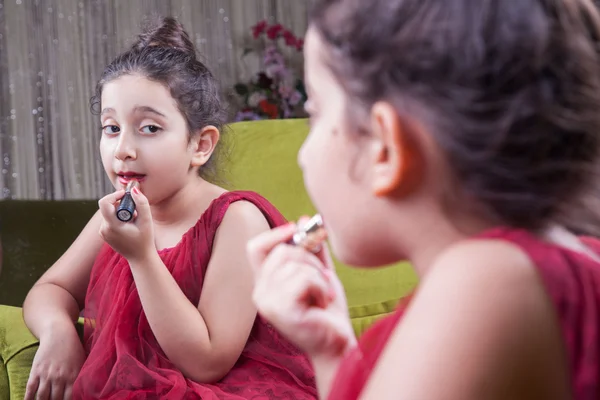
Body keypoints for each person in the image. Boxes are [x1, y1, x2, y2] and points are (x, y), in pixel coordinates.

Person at [247, 0, 600, 399]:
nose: (302, 155)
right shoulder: (552, 263)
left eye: (316, 111)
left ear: (384, 147)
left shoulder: (486, 283)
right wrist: (331, 351)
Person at [22, 16, 317, 400]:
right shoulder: (111, 218)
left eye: (149, 128)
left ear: (200, 145)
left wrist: (142, 257)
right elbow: (49, 289)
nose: (122, 149)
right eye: (111, 128)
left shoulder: (237, 220)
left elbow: (208, 362)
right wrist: (58, 331)